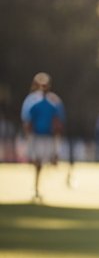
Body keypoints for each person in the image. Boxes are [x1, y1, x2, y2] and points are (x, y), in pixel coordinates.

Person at [20, 72, 65, 202]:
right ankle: (36, 187)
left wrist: (57, 141)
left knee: (45, 162)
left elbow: (58, 122)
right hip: (36, 137)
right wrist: (29, 138)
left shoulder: (54, 101)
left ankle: (37, 187)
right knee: (37, 162)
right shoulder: (31, 101)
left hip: (48, 137)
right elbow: (27, 121)